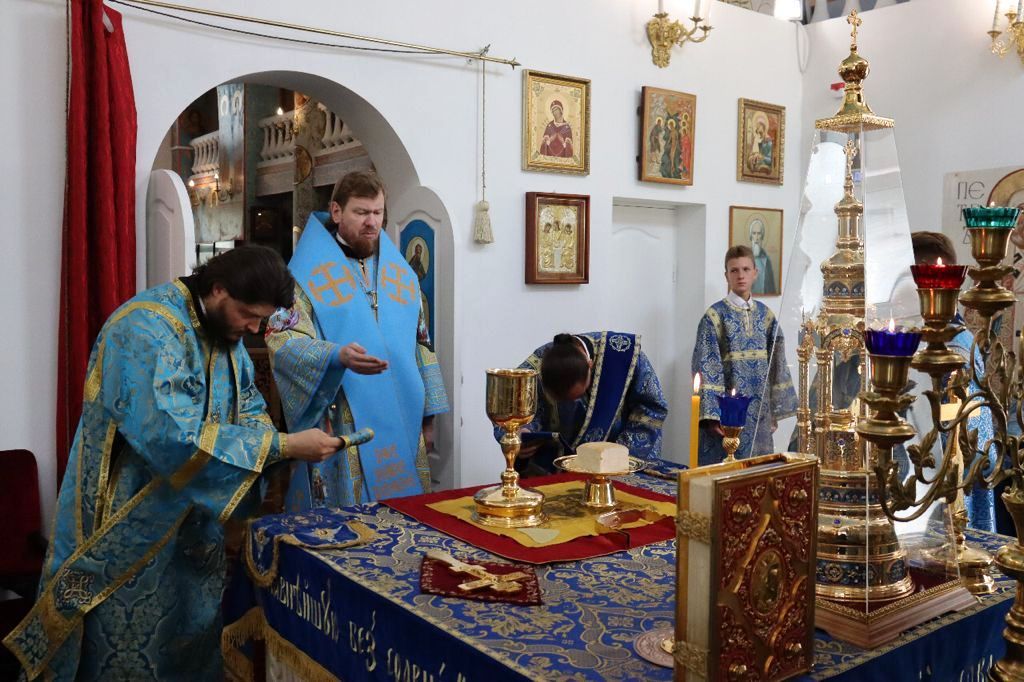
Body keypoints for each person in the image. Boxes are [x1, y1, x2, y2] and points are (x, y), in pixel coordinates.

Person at [3, 247, 343, 681]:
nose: (254, 329)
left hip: (196, 528)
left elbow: (249, 406)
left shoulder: (226, 334)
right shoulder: (144, 328)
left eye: (262, 320)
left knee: (192, 646)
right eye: (249, 315)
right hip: (130, 525)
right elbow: (169, 435)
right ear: (218, 289)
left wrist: (280, 443)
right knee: (127, 651)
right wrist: (283, 446)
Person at [266, 171, 449, 509]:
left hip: (403, 413)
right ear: (336, 211)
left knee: (404, 515)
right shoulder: (304, 274)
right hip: (343, 416)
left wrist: (430, 414)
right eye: (361, 212)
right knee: (348, 518)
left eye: (378, 212)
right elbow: (283, 340)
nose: (372, 222)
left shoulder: (400, 273)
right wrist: (334, 356)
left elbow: (421, 342)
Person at [911, 231, 997, 532]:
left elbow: (973, 437)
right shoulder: (900, 338)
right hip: (911, 479)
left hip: (945, 491)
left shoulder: (958, 349)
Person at [504, 332, 668, 476]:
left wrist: (617, 454)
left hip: (619, 465)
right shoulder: (535, 368)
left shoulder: (623, 353)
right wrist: (522, 431)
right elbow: (509, 405)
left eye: (578, 396)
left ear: (590, 366)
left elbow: (652, 408)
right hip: (556, 469)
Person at [692, 245, 797, 466]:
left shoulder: (766, 316)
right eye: (734, 270)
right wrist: (712, 414)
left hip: (759, 413)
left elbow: (777, 362)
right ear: (726, 275)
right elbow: (707, 365)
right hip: (728, 414)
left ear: (755, 273)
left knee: (758, 471)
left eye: (746, 269)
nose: (740, 275)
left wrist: (773, 409)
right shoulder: (715, 316)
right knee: (727, 472)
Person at [748, 218, 777, 295]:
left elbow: (771, 289)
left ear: (762, 236)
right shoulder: (744, 258)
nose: (756, 238)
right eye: (754, 233)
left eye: (759, 233)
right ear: (751, 236)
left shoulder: (767, 261)